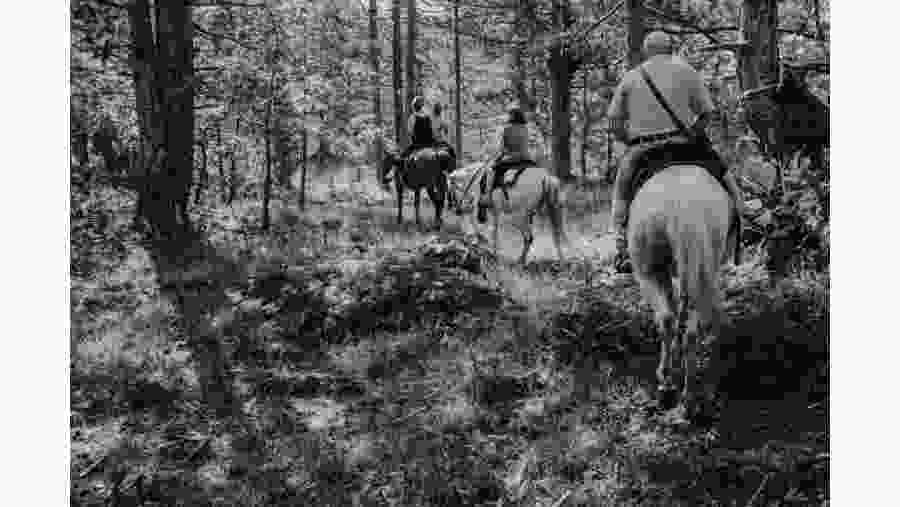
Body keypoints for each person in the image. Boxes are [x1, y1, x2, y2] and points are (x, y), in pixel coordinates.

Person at [606, 30, 745, 274]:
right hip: (686, 146)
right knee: (729, 183)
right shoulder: (687, 71)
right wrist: (693, 132)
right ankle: (739, 230)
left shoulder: (631, 77)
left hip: (644, 148)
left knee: (621, 190)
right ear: (671, 49)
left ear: (646, 51)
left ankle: (621, 245)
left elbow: (614, 122)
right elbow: (707, 114)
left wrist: (629, 140)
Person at [488, 107, 536, 191]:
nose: (507, 117)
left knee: (493, 171)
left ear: (512, 116)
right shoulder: (525, 129)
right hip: (527, 158)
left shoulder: (506, 129)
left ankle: (490, 194)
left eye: (509, 115)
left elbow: (502, 148)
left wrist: (498, 158)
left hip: (511, 159)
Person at [399, 96, 437, 164]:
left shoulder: (412, 118)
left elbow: (410, 133)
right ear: (422, 106)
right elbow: (433, 132)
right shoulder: (428, 117)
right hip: (431, 145)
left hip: (417, 146)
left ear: (414, 107)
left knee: (401, 158)